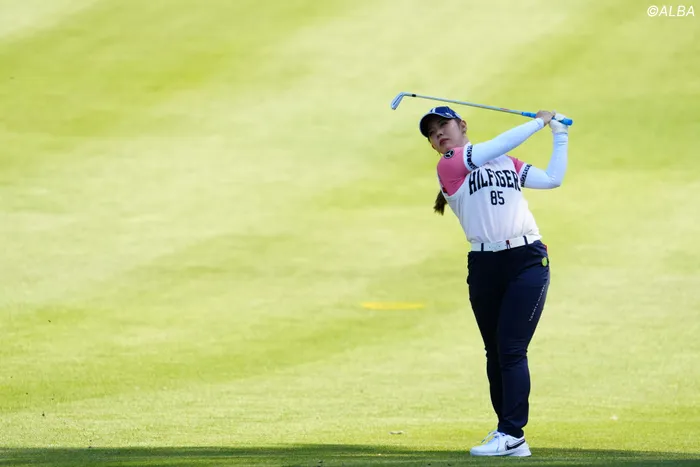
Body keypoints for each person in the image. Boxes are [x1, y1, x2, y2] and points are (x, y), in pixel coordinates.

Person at [418, 106, 569, 457]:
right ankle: (507, 432)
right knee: (495, 350)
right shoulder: (450, 164)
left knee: (511, 348)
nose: (438, 133)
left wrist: (560, 135)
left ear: (462, 125)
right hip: (484, 264)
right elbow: (497, 145)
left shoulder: (505, 163)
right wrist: (539, 122)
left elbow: (551, 179)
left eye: (444, 124)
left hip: (527, 259)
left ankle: (512, 433)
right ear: (433, 146)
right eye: (432, 133)